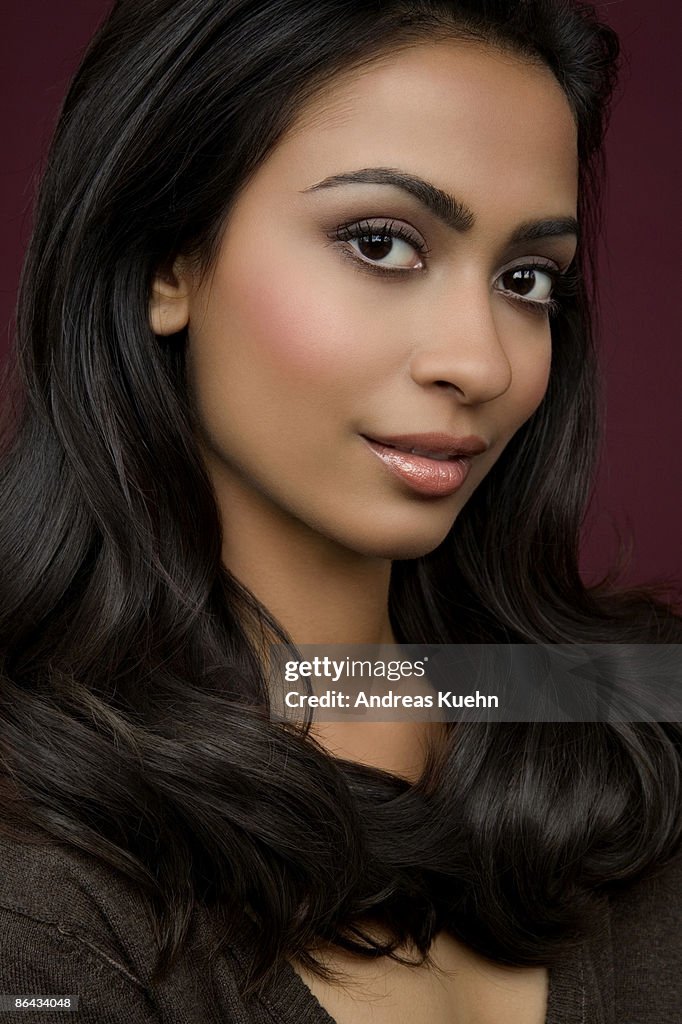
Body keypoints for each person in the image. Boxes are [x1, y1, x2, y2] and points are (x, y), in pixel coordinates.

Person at [0, 1, 680, 1022]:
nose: (480, 361)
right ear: (168, 259)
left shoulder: (626, 706)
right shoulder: (39, 885)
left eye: (525, 278)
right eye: (380, 243)